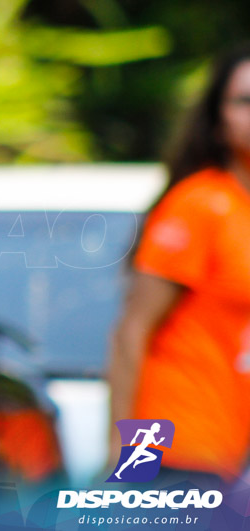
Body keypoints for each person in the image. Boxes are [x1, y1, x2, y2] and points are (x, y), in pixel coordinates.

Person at [109, 44, 250, 486]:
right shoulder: (199, 204)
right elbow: (133, 331)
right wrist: (127, 459)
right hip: (175, 449)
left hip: (228, 452)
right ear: (218, 120)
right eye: (244, 101)